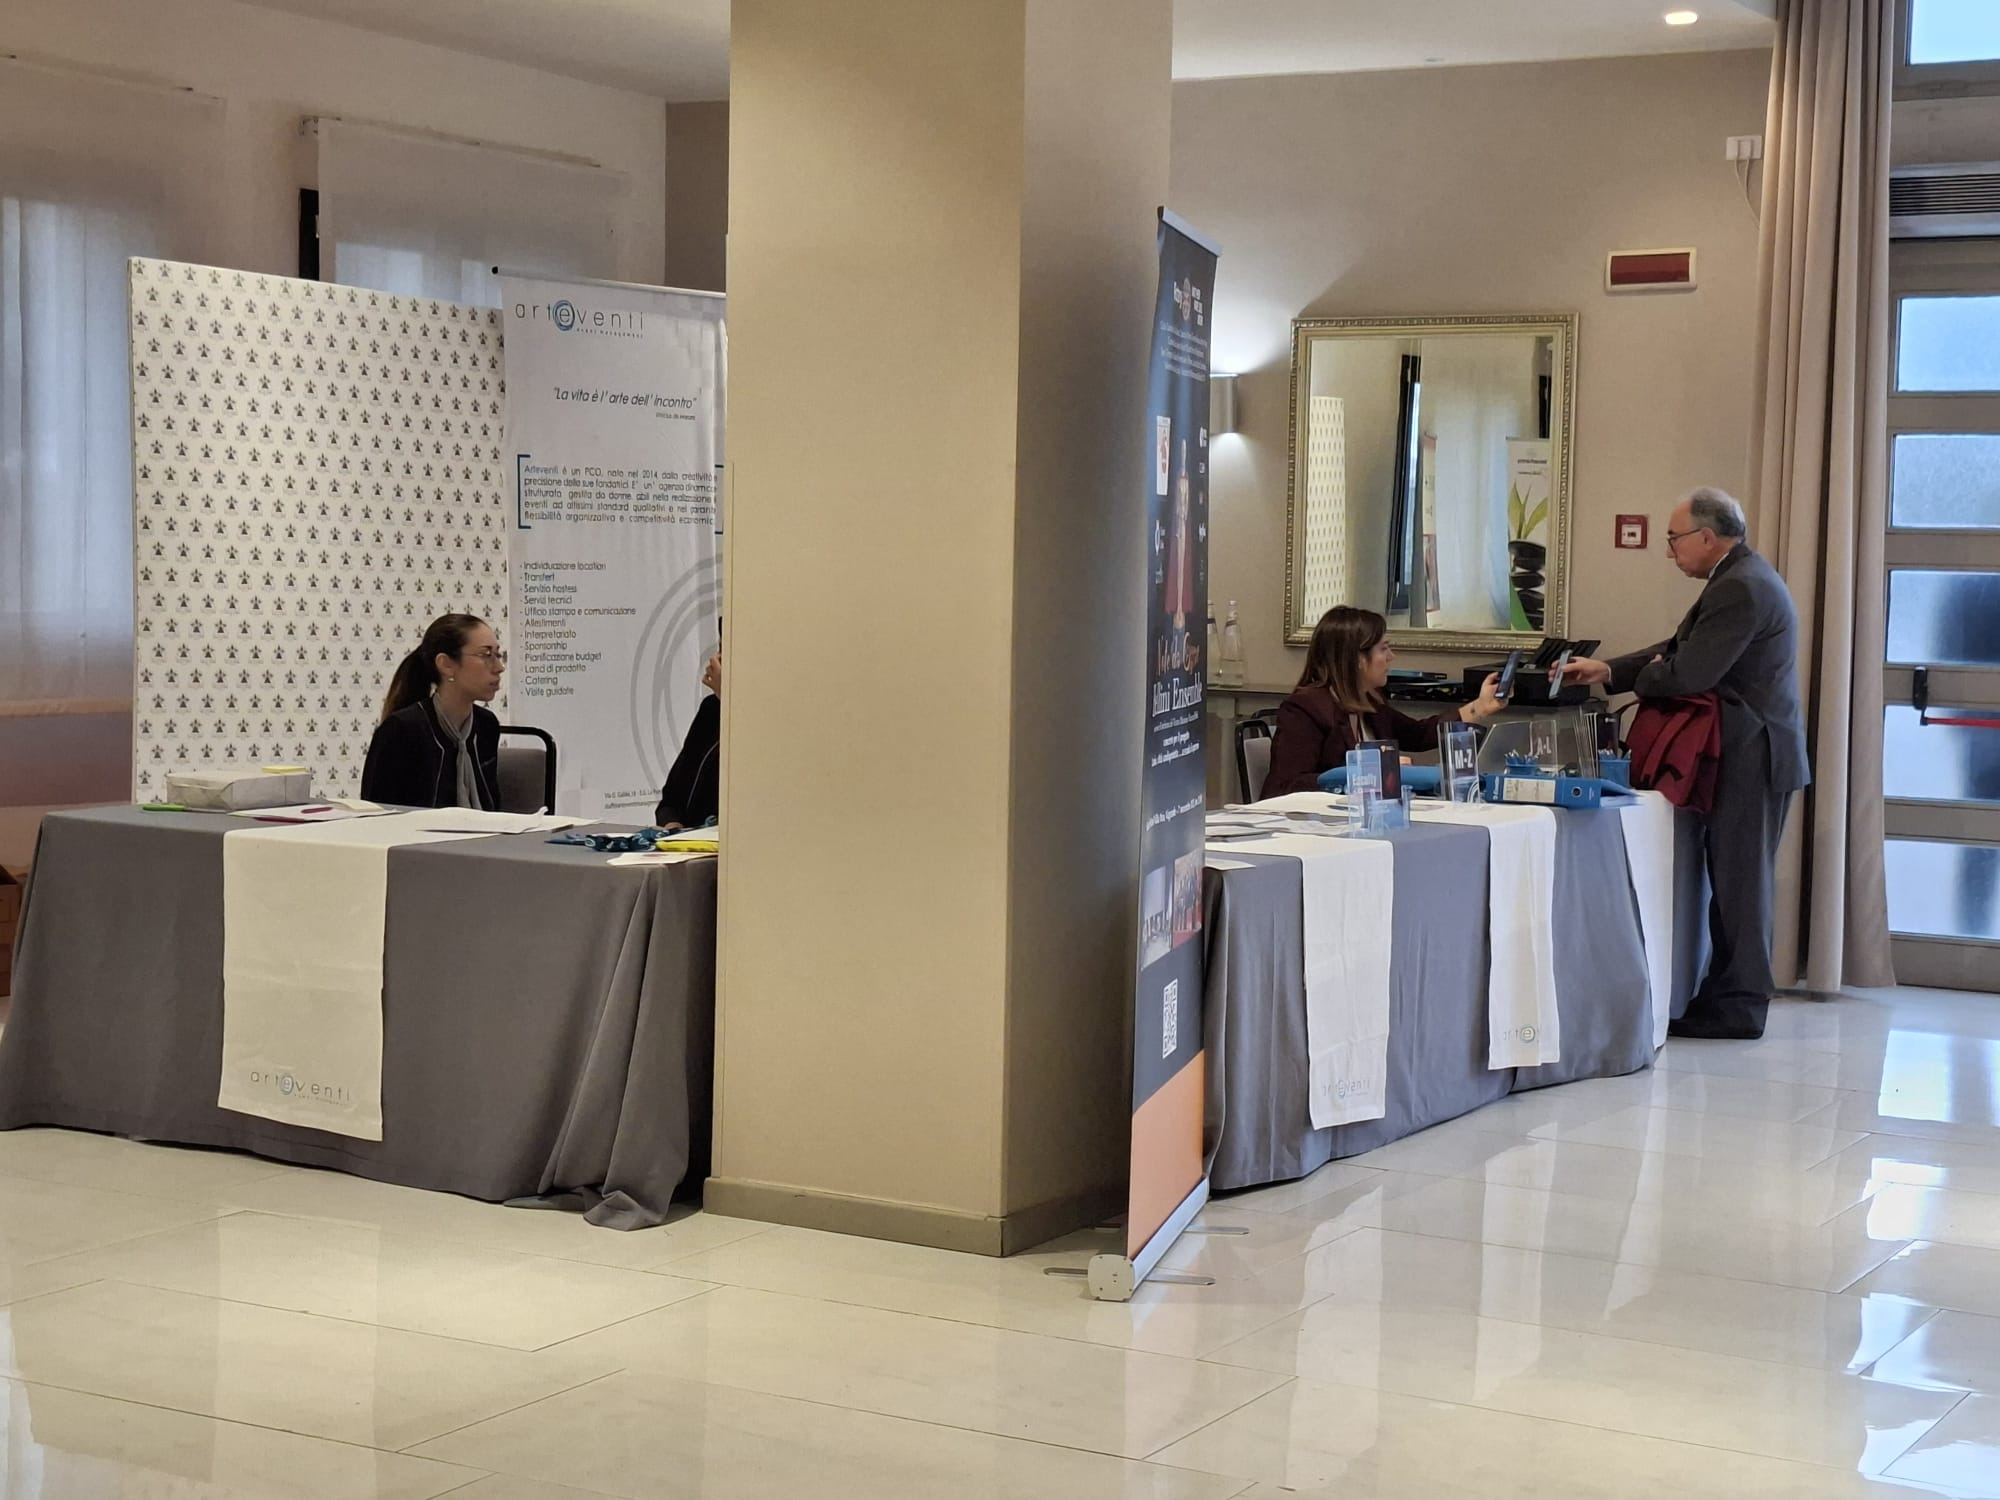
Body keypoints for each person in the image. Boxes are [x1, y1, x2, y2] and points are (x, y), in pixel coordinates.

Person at [1561, 487, 1807, 1041]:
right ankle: (1723, 997)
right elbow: (1678, 646)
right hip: (1747, 751)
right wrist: (1608, 670)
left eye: (1674, 539)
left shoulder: (1740, 587)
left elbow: (1688, 671)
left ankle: (1740, 1008)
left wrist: (1644, 680)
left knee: (1742, 887)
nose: (1669, 550)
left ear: (1707, 537)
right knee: (1733, 883)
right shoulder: (1738, 577)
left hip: (1753, 755)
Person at [1264, 606, 1506, 797]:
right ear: (1357, 659)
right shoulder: (1304, 710)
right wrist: (1372, 773)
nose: (1391, 656)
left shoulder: (1371, 705)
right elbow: (1290, 784)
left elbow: (1419, 734)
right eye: (1383, 649)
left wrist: (1480, 707)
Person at [360, 613, 505, 810]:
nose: (499, 667)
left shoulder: (486, 725)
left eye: (498, 655)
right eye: (486, 655)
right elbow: (376, 812)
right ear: (446, 664)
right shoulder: (401, 729)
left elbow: (493, 805)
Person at [654, 647, 721, 831]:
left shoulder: (770, 726)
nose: (715, 660)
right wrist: (672, 827)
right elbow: (671, 800)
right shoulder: (711, 709)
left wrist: (731, 698)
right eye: (720, 648)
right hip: (691, 842)